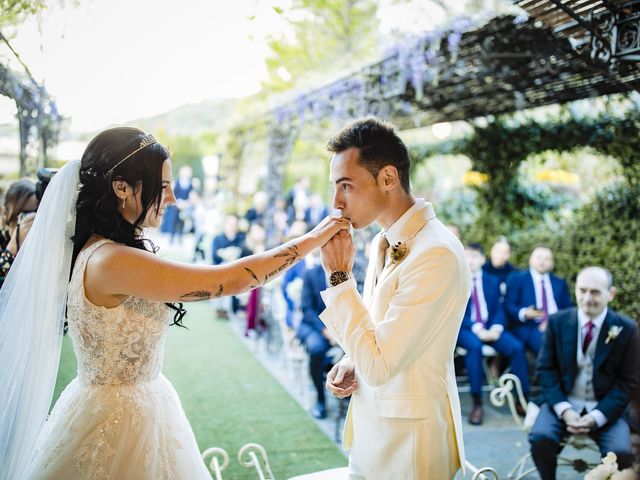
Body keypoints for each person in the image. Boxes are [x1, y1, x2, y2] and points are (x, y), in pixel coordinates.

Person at [0, 127, 349, 480]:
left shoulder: (107, 250)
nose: (172, 199)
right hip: (116, 422)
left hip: (144, 404)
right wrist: (314, 239)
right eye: (163, 187)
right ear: (121, 188)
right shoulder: (110, 260)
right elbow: (225, 280)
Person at [318, 117, 470, 479]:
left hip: (410, 449)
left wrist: (340, 280)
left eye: (346, 186)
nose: (336, 203)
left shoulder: (437, 254)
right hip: (371, 437)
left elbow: (381, 366)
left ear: (388, 178)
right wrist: (350, 359)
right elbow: (383, 334)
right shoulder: (380, 242)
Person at [529, 267, 639, 480]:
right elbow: (545, 370)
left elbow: (628, 382)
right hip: (562, 403)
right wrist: (564, 409)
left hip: (606, 408)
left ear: (611, 294)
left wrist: (596, 417)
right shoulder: (557, 322)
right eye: (582, 290)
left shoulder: (626, 328)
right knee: (540, 437)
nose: (587, 298)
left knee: (622, 452)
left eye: (595, 292)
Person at [457, 243, 529, 425]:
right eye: (466, 255)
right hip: (466, 327)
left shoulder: (492, 281)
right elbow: (454, 311)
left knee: (516, 347)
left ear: (482, 259)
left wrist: (496, 328)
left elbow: (499, 309)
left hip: (491, 327)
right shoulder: (455, 279)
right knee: (475, 347)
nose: (470, 260)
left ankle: (521, 398)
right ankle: (477, 402)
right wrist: (477, 329)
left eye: (474, 256)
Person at [505, 245, 573, 355]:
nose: (542, 262)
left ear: (552, 263)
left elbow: (568, 308)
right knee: (549, 347)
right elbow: (509, 305)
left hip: (556, 325)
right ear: (531, 259)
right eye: (539, 257)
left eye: (547, 259)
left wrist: (554, 322)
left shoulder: (559, 283)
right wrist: (525, 313)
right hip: (530, 326)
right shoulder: (517, 279)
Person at [297, 255, 335, 419]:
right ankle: (320, 399)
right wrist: (325, 330)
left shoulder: (349, 274)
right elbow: (307, 308)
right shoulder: (311, 273)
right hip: (313, 326)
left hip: (340, 328)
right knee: (316, 349)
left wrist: (338, 331)